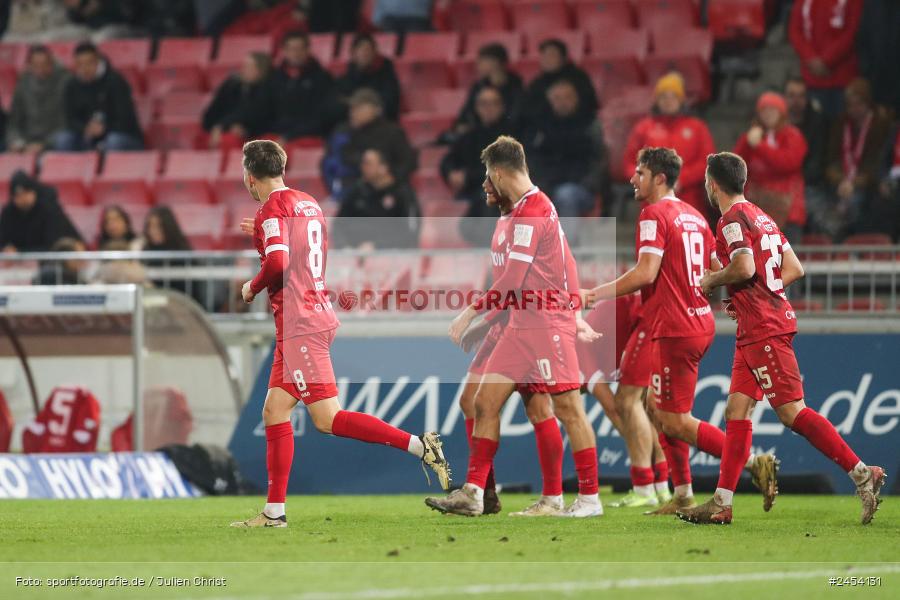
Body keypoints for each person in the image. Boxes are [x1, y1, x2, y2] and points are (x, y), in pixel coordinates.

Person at [230, 140, 450, 528]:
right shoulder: (307, 203)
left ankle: (420, 446)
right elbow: (294, 246)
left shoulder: (270, 210)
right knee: (274, 410)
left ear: (249, 177)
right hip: (309, 318)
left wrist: (252, 286)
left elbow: (279, 262)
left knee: (327, 419)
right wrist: (264, 231)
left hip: (301, 324)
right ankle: (274, 513)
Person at [679, 152, 886, 525]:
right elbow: (794, 268)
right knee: (736, 411)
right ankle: (722, 503)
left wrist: (712, 281)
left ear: (712, 184)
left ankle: (861, 474)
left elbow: (744, 266)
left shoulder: (730, 219)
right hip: (757, 325)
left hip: (765, 329)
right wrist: (753, 296)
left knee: (792, 412)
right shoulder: (762, 216)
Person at [588, 147, 778, 515]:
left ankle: (752, 463)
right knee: (655, 407)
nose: (632, 178)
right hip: (698, 321)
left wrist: (593, 294)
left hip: (674, 327)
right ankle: (683, 494)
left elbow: (646, 272)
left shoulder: (653, 215)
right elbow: (713, 268)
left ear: (660, 178)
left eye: (640, 172)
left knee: (673, 418)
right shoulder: (694, 216)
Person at [425, 135, 603, 518]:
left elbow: (513, 280)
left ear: (501, 173)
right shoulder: (512, 214)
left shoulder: (536, 210)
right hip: (518, 324)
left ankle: (588, 498)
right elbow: (562, 262)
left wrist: (471, 312)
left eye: (489, 176)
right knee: (483, 402)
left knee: (567, 407)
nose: (486, 184)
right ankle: (475, 493)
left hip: (544, 324)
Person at [576, 292, 673, 508]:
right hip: (658, 314)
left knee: (625, 404)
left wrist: (637, 447)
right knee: (649, 409)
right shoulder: (587, 354)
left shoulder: (580, 364)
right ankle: (662, 488)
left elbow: (612, 409)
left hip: (644, 316)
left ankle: (644, 487)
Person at [622, 73, 716, 221]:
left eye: (673, 96)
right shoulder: (643, 128)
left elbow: (707, 162)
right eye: (663, 96)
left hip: (690, 203)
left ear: (681, 100)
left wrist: (680, 179)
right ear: (657, 100)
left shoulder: (697, 128)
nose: (668, 101)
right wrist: (646, 180)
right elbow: (629, 163)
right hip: (652, 203)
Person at [522, 79, 608, 220]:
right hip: (547, 183)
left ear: (576, 99)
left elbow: (599, 161)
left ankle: (565, 242)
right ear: (550, 101)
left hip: (580, 187)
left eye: (567, 97)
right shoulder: (540, 128)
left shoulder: (589, 126)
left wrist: (589, 184)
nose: (562, 102)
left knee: (565, 195)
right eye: (557, 98)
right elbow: (532, 161)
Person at [734, 92, 808, 243]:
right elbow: (735, 166)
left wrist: (759, 147)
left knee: (788, 263)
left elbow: (788, 163)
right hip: (758, 212)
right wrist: (746, 143)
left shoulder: (793, 135)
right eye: (764, 111)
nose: (768, 115)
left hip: (788, 213)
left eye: (772, 110)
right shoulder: (753, 136)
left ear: (781, 113)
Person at [824, 79, 893, 235]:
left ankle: (855, 239)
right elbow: (830, 160)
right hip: (841, 183)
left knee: (857, 202)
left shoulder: (880, 124)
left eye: (858, 104)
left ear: (868, 103)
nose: (854, 109)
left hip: (867, 183)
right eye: (850, 105)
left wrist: (855, 182)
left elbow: (878, 162)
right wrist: (841, 180)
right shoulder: (840, 124)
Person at [322, 89, 417, 199]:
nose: (353, 112)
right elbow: (337, 160)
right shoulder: (344, 132)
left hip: (390, 191)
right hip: (355, 191)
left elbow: (408, 162)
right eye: (352, 108)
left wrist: (390, 178)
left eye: (359, 108)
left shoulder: (392, 132)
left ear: (377, 110)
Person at [54, 42, 143, 151]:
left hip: (122, 136)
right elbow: (70, 119)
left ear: (98, 61)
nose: (85, 68)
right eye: (80, 64)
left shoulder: (115, 81)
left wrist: (104, 128)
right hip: (87, 136)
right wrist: (85, 128)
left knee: (114, 141)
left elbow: (126, 119)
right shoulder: (71, 85)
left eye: (89, 63)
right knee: (64, 139)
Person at [440, 86, 512, 223]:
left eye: (493, 103)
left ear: (502, 106)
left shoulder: (511, 137)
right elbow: (448, 159)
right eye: (483, 104)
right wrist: (451, 173)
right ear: (477, 108)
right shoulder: (470, 135)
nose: (488, 108)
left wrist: (467, 176)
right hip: (472, 192)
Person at [788, 0, 863, 118]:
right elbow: (795, 30)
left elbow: (852, 31)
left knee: (840, 127)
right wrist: (810, 57)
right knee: (814, 128)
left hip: (842, 79)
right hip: (812, 79)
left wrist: (827, 61)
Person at [333, 148, 420, 249]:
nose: (362, 167)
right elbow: (339, 225)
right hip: (355, 256)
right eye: (362, 163)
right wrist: (344, 246)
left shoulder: (403, 193)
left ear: (383, 167)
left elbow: (411, 233)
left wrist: (377, 246)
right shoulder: (357, 191)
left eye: (368, 163)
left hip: (394, 257)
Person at [271, 30, 337, 141]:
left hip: (308, 135)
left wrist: (290, 136)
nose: (296, 53)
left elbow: (320, 117)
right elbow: (263, 107)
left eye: (300, 49)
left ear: (307, 50)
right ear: (284, 51)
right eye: (292, 49)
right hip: (277, 133)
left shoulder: (322, 78)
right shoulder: (275, 77)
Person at [202, 52, 275, 151]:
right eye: (244, 66)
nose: (243, 70)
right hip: (228, 131)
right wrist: (219, 126)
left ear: (262, 71)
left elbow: (259, 115)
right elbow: (210, 115)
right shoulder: (232, 86)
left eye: (249, 67)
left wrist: (242, 128)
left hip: (258, 133)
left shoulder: (270, 90)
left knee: (229, 140)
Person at [785, 77, 830, 234]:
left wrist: (797, 181)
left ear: (807, 98)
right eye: (791, 95)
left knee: (820, 217)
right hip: (779, 186)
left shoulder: (818, 123)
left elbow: (818, 162)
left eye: (800, 96)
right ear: (784, 98)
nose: (796, 101)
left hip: (809, 184)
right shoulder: (776, 125)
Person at [6, 45, 70, 153]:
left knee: (65, 139)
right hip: (27, 142)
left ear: (51, 63)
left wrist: (44, 145)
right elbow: (14, 123)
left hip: (53, 141)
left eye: (44, 64)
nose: (40, 69)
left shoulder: (65, 83)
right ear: (29, 65)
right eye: (36, 65)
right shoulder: (23, 85)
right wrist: (15, 141)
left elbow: (67, 123)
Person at [0, 171, 81, 253]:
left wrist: (19, 252)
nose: (22, 199)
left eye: (26, 193)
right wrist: (6, 249)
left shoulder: (49, 208)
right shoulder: (8, 212)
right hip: (21, 263)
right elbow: (3, 241)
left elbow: (52, 246)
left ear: (33, 192)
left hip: (58, 260)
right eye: (17, 196)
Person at [521, 38, 598, 123]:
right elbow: (529, 109)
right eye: (543, 55)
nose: (546, 59)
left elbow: (590, 104)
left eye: (551, 55)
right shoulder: (538, 82)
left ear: (563, 58)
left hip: (579, 125)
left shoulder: (578, 77)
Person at [453, 44, 523, 137]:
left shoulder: (516, 87)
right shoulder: (478, 86)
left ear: (496, 62)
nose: (477, 65)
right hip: (479, 134)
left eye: (482, 61)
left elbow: (515, 116)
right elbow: (466, 113)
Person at [337, 33, 401, 121]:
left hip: (379, 125)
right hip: (352, 125)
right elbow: (339, 103)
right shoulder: (346, 78)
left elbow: (390, 104)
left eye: (368, 49)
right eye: (361, 49)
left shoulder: (386, 75)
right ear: (353, 53)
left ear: (375, 52)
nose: (364, 53)